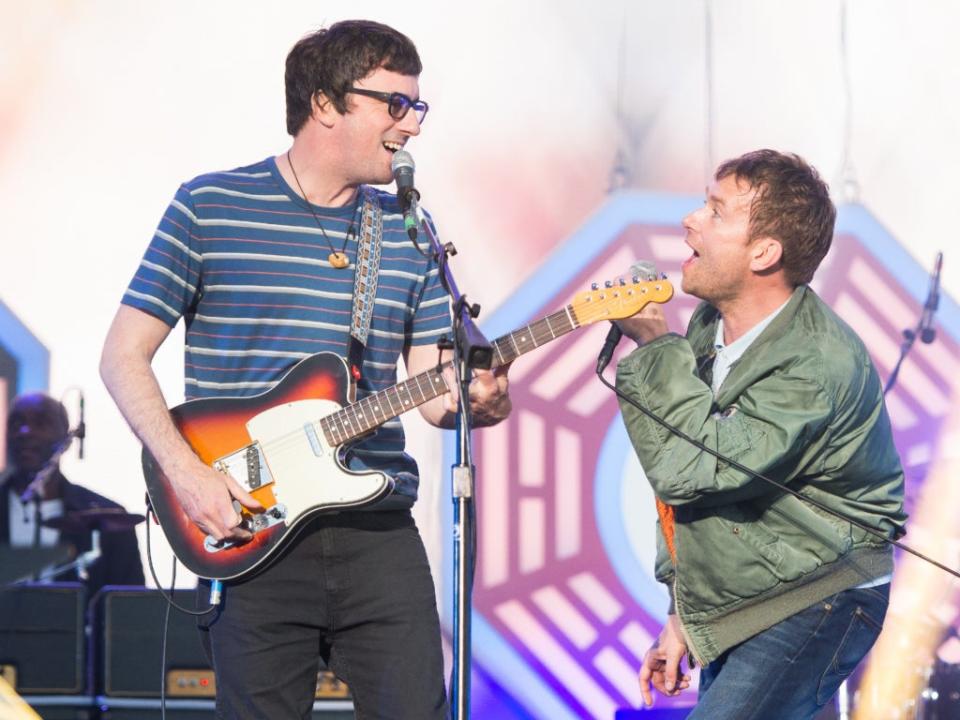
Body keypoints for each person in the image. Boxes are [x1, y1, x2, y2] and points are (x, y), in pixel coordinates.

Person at [99, 19, 511, 720]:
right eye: (394, 104)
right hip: (249, 526)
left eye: (416, 107)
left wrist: (482, 398)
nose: (411, 125)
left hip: (377, 532)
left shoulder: (411, 230)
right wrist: (188, 474)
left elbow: (438, 398)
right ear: (325, 103)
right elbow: (122, 356)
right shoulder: (210, 206)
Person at [613, 149, 906, 719]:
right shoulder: (707, 329)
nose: (691, 220)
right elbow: (678, 493)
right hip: (753, 592)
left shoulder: (814, 364)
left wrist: (652, 346)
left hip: (821, 593)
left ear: (764, 253)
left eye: (716, 212)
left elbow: (690, 467)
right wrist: (682, 614)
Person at [0, 392, 145, 597]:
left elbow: (132, 609)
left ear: (65, 438)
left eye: (41, 422)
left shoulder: (109, 520)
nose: (25, 431)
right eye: (16, 423)